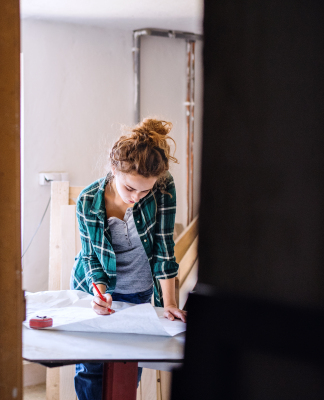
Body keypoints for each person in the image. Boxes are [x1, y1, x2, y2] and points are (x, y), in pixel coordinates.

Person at [70, 118, 187, 400]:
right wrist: (100, 295)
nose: (137, 197)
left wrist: (169, 303)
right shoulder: (87, 201)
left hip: (138, 293)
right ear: (114, 171)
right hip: (96, 291)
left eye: (144, 190)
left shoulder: (163, 186)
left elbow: (164, 247)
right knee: (90, 369)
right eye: (130, 189)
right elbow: (91, 259)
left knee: (125, 370)